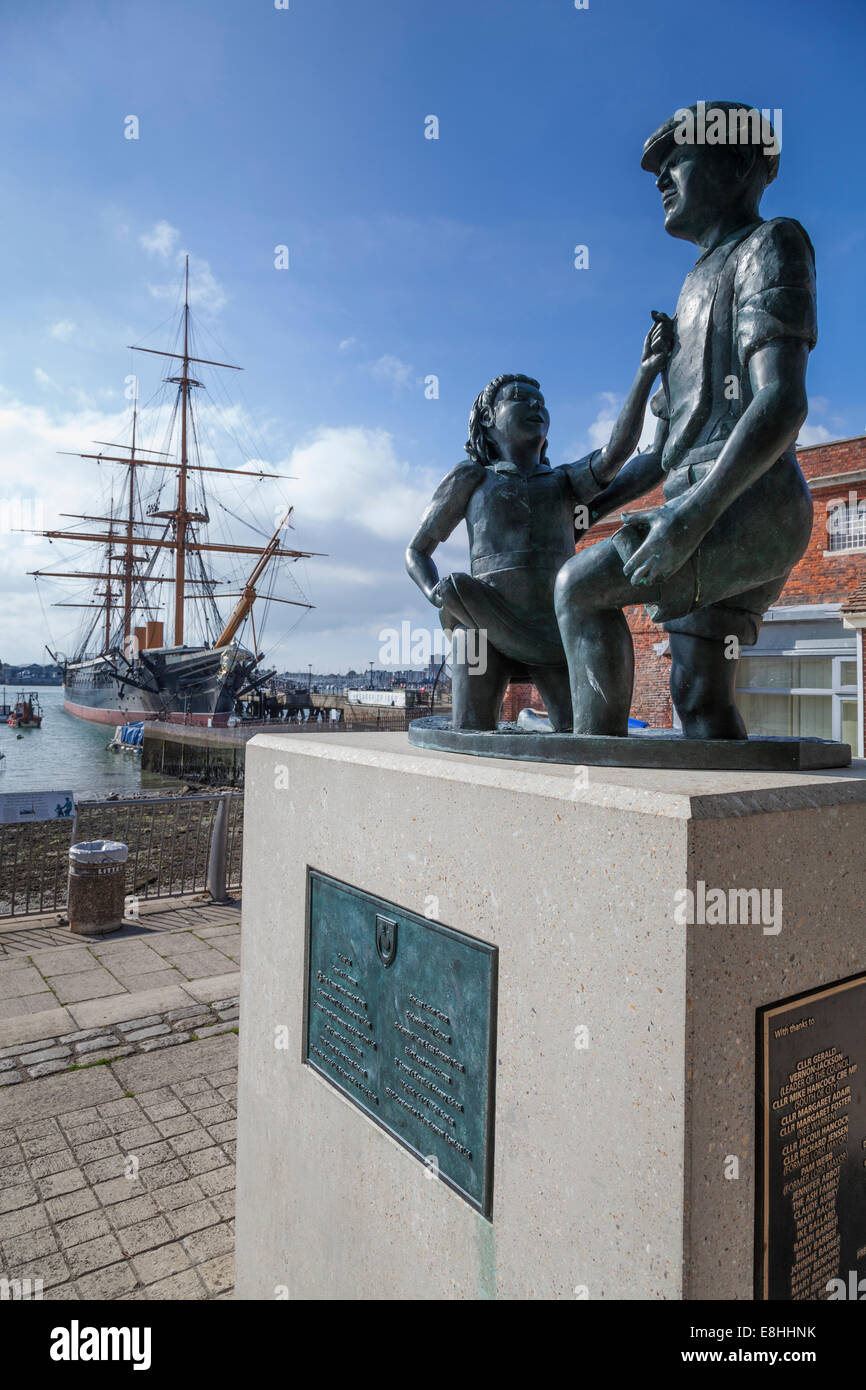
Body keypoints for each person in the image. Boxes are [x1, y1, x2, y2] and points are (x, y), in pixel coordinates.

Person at [554, 101, 817, 738]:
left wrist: (689, 517)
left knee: (577, 589)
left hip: (745, 501)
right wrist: (589, 508)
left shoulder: (771, 243)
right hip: (697, 502)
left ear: (738, 162)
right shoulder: (693, 283)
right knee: (698, 695)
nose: (660, 178)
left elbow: (781, 400)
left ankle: (594, 761)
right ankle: (747, 822)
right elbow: (662, 452)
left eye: (676, 159)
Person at [406, 323, 671, 730]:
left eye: (540, 401)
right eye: (519, 399)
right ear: (488, 421)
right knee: (470, 733)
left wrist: (648, 373)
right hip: (483, 622)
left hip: (555, 628)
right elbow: (417, 551)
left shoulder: (563, 483)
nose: (534, 406)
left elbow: (619, 454)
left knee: (579, 735)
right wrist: (434, 592)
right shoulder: (471, 479)